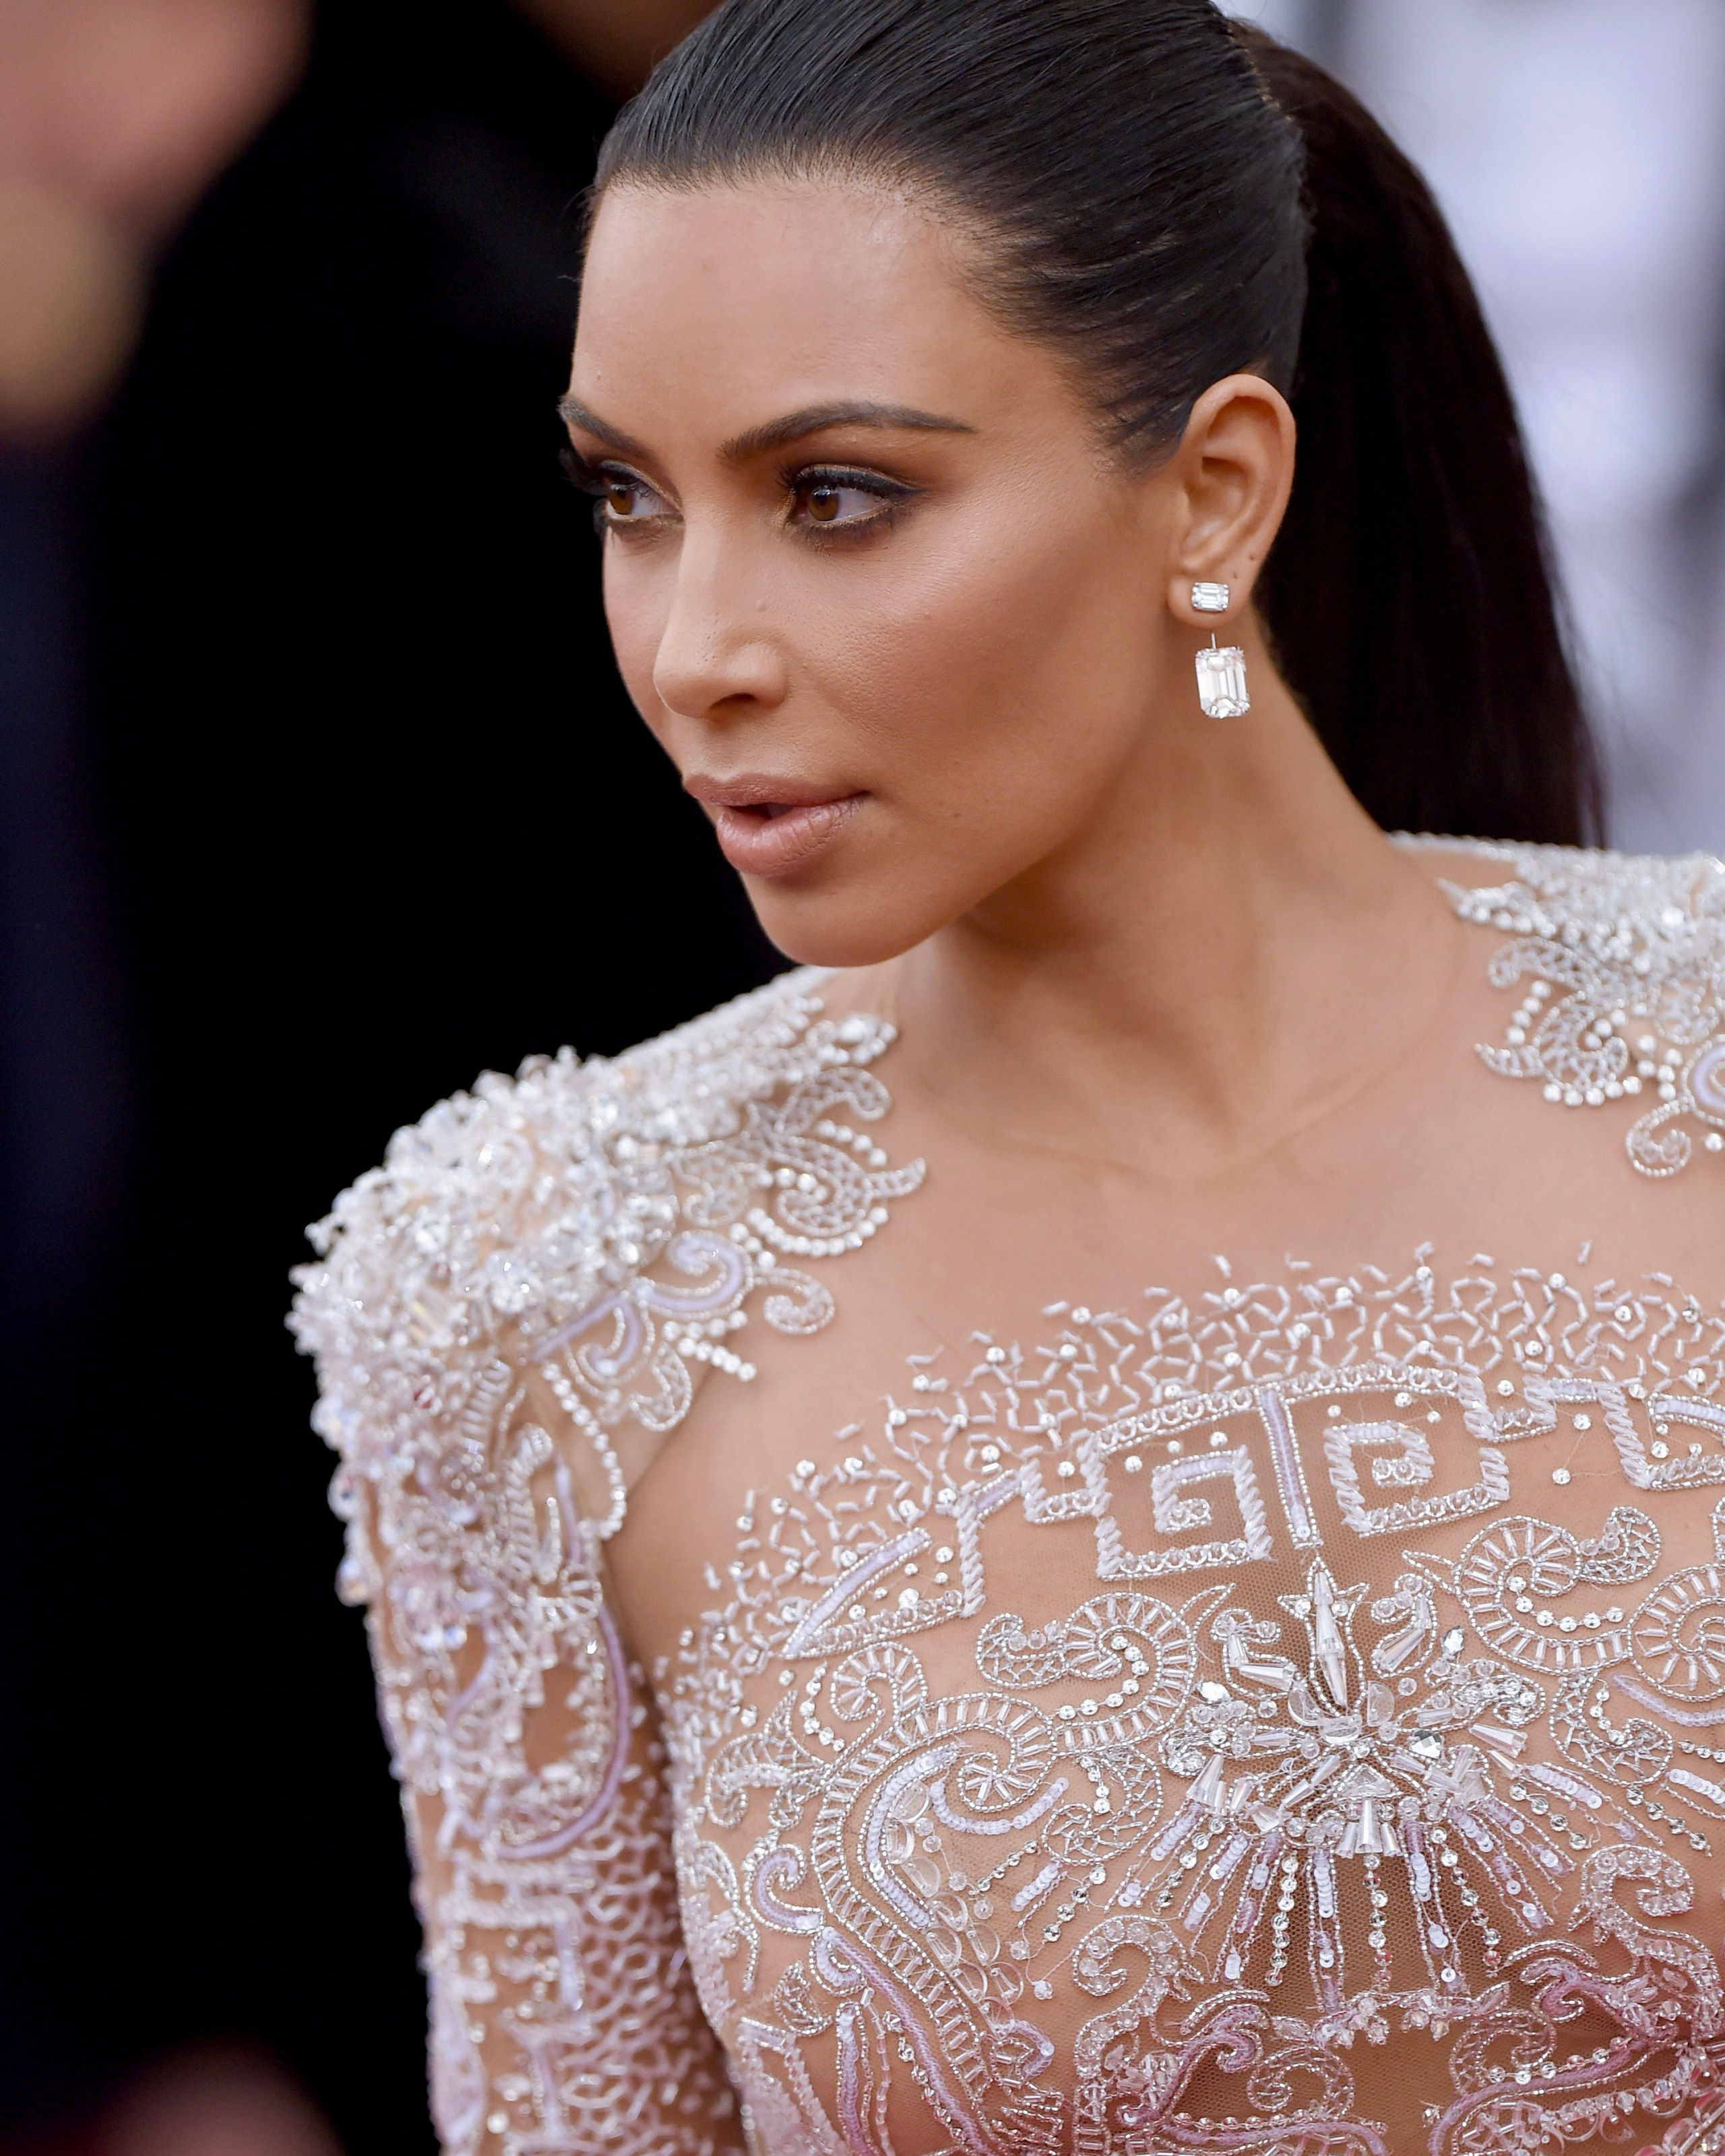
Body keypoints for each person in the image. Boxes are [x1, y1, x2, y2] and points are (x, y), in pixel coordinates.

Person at [291, 3, 1725, 2150]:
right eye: (629, 500)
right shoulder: (527, 1296)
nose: (697, 650)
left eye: (836, 495)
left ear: (1213, 488)